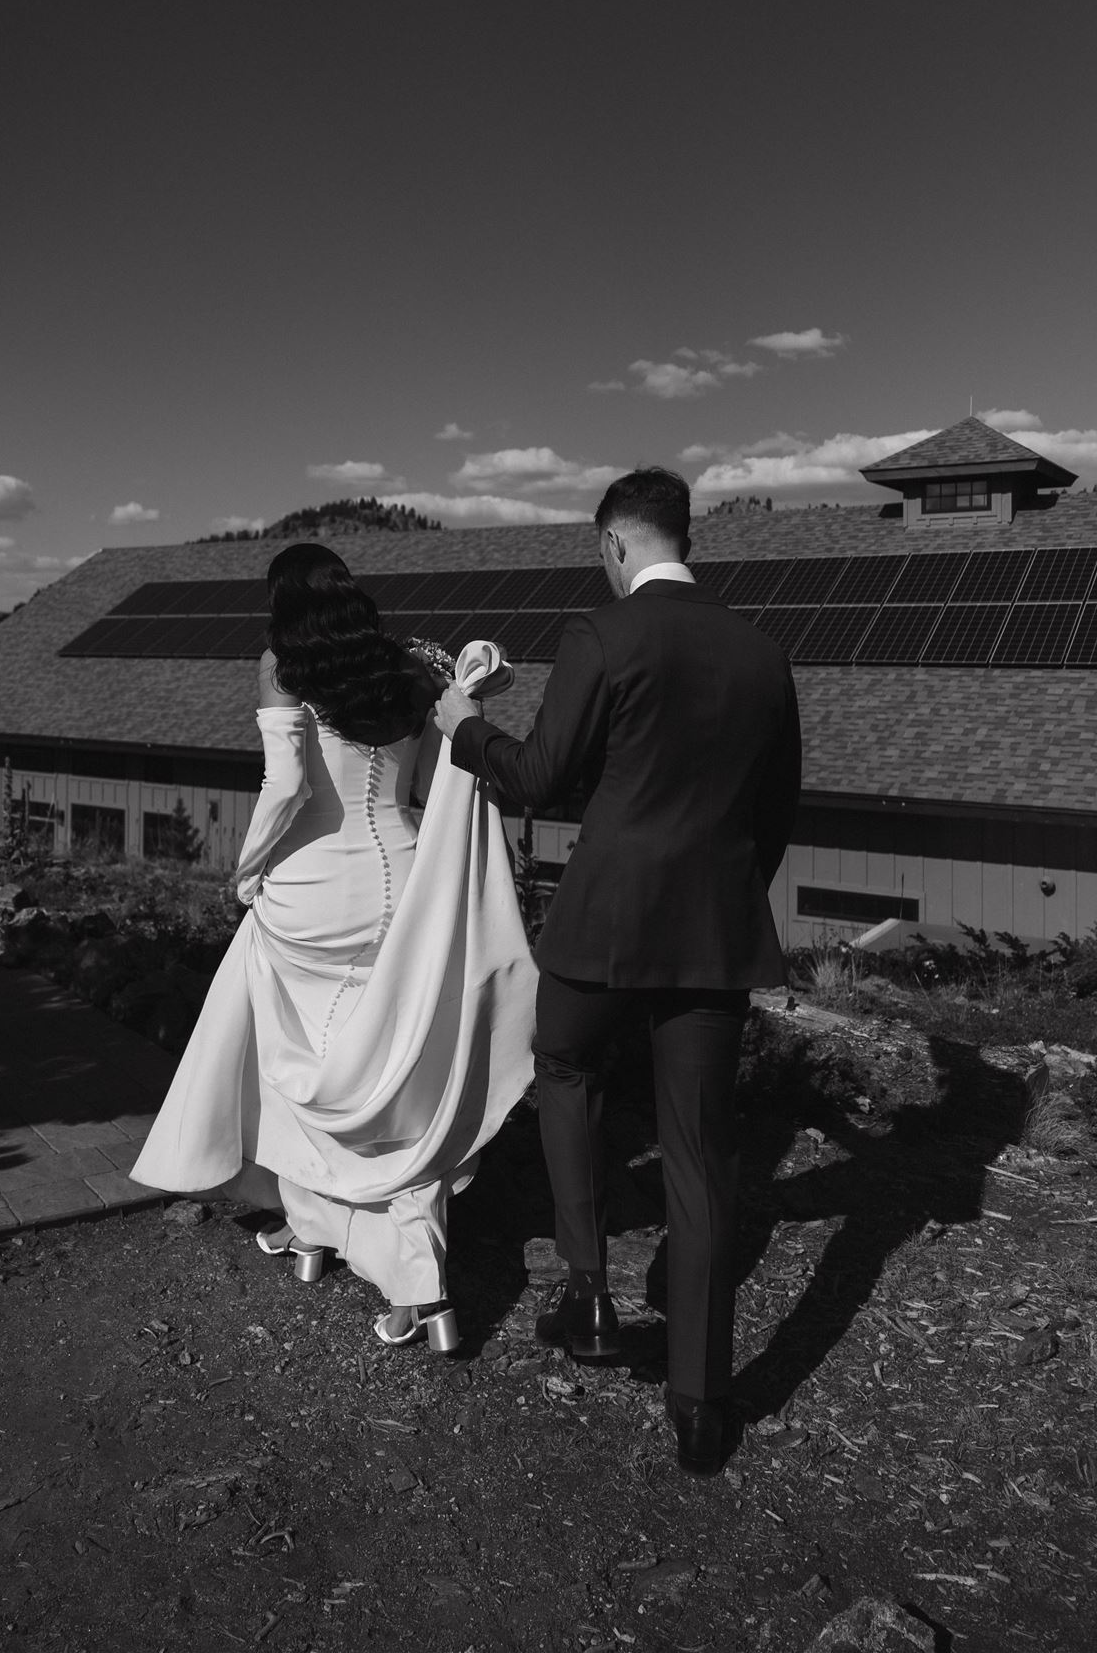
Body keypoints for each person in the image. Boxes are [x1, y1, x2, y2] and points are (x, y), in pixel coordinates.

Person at [437, 469, 800, 1472]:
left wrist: (458, 727)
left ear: (612, 544)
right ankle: (701, 1403)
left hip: (604, 922)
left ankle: (589, 1292)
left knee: (565, 1065)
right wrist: (726, 900)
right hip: (714, 930)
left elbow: (539, 775)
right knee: (699, 1145)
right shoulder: (763, 653)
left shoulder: (603, 636)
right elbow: (776, 812)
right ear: (687, 538)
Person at [131, 544, 537, 1352]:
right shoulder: (414, 666)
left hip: (313, 890)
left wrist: (248, 873)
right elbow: (454, 749)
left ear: (284, 605)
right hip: (410, 883)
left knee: (301, 1070)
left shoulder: (283, 665)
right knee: (395, 1076)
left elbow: (285, 788)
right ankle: (379, 1260)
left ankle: (318, 1232)